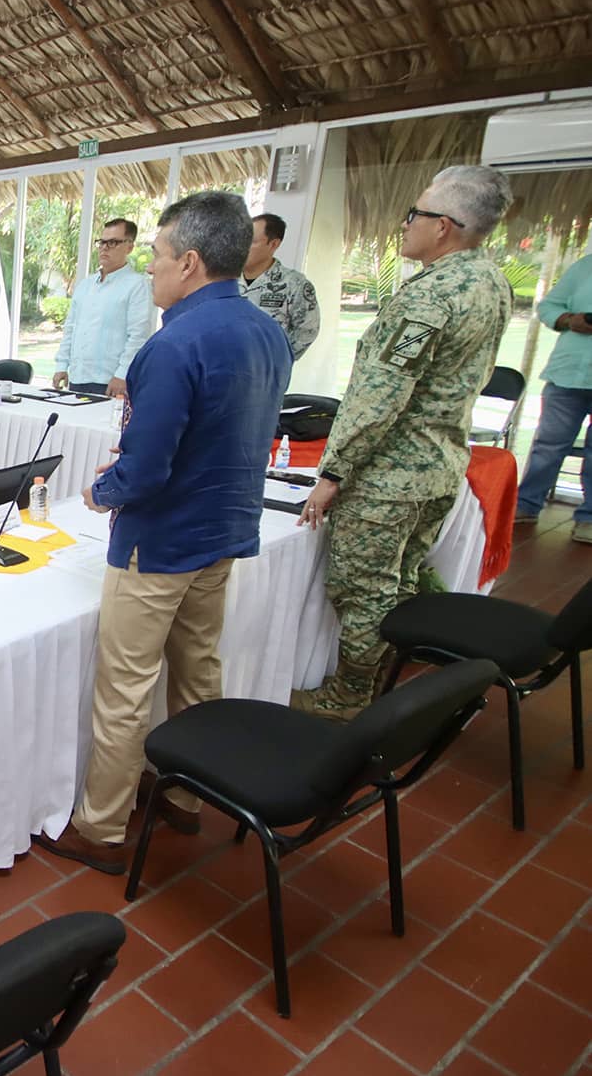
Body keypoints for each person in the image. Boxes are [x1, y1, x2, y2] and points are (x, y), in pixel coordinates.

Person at [35, 193, 291, 873]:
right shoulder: (267, 331)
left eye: (154, 256)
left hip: (162, 541)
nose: (149, 270)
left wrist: (102, 490)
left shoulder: (172, 343)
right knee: (198, 668)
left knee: (124, 687)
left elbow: (146, 468)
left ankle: (102, 826)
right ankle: (187, 795)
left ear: (191, 262)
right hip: (224, 531)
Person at [294, 165, 515, 721]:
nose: (405, 224)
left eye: (413, 214)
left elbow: (379, 397)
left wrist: (332, 473)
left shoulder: (430, 296)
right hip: (441, 465)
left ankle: (349, 697)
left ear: (443, 226)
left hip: (391, 475)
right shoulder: (491, 280)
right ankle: (397, 674)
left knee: (362, 588)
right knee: (402, 578)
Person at [516, 252, 592, 542]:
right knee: (548, 445)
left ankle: (589, 518)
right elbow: (548, 305)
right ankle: (527, 504)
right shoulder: (585, 267)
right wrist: (568, 319)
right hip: (567, 373)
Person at [52, 218, 153, 398]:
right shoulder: (85, 285)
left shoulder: (137, 285)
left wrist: (122, 374)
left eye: (113, 242)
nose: (104, 247)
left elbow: (138, 336)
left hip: (111, 381)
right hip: (78, 378)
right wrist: (62, 365)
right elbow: (71, 328)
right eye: (102, 242)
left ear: (129, 247)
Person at [241, 213, 321, 361]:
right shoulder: (224, 279)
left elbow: (308, 330)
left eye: (251, 241)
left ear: (274, 244)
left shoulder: (294, 285)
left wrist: (279, 361)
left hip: (265, 375)